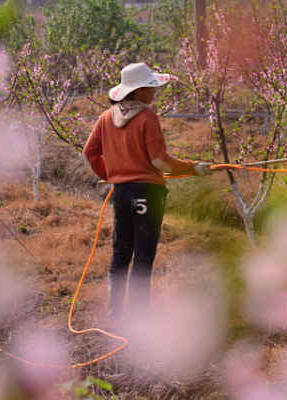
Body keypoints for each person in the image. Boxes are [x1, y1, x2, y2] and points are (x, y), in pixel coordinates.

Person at [83, 63, 211, 317]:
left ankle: (115, 311)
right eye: (150, 88)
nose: (154, 93)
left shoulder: (105, 118)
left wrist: (110, 175)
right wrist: (193, 167)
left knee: (121, 250)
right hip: (148, 194)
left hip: (121, 194)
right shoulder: (147, 118)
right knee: (143, 252)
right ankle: (139, 316)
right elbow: (159, 162)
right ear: (137, 91)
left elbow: (89, 154)